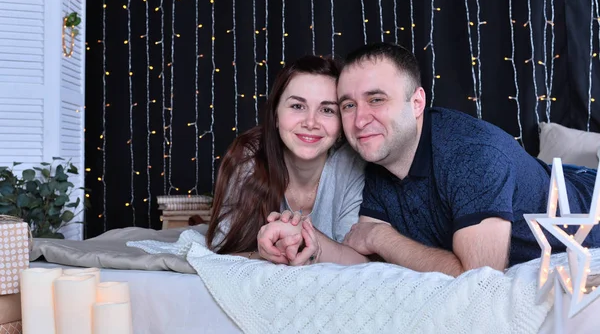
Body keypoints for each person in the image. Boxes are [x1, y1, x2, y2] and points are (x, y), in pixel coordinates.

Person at [336, 42, 599, 276]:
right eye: (348, 105)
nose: (360, 120)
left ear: (417, 103)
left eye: (376, 99)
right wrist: (311, 241)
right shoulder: (379, 156)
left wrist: (382, 237)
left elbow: (477, 278)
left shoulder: (473, 154)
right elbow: (363, 254)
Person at [206, 55, 367, 266]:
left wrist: (303, 235)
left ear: (341, 126)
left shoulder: (352, 165)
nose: (311, 122)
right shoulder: (249, 158)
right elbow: (221, 248)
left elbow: (361, 261)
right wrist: (273, 252)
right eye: (297, 106)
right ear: (275, 115)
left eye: (327, 110)